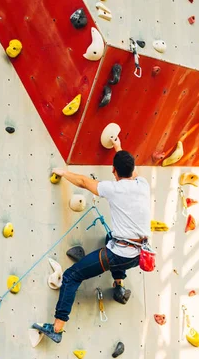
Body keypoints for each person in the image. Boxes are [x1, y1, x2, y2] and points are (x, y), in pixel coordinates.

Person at [32, 138, 151, 343]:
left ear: (114, 171)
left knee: (71, 276)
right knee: (109, 237)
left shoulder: (113, 189)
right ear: (132, 170)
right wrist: (118, 147)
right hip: (140, 253)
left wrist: (63, 172)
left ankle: (57, 328)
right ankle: (119, 285)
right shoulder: (143, 184)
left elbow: (84, 182)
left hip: (119, 255)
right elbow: (129, 170)